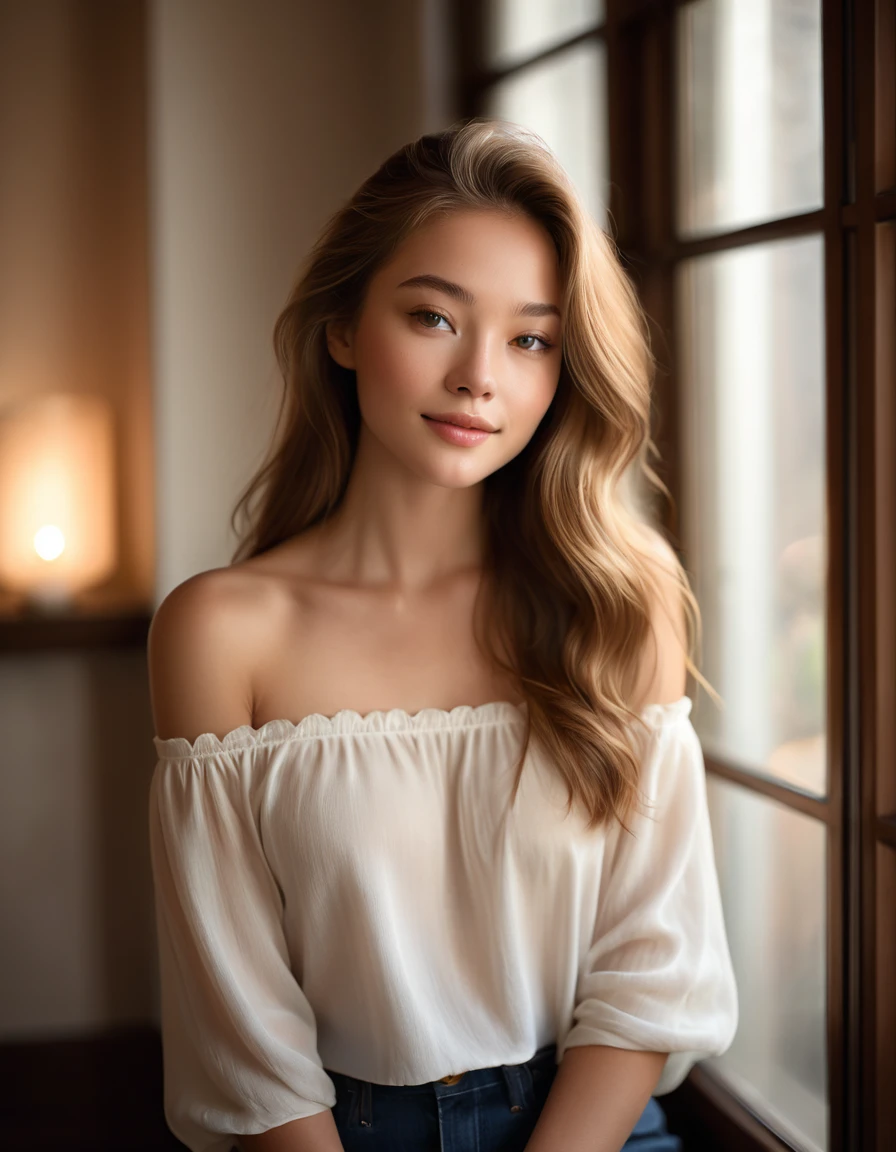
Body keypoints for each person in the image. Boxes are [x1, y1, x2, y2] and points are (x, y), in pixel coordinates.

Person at [147, 118, 738, 1152]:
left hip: (592, 1131)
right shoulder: (221, 633)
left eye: (529, 339)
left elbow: (650, 963)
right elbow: (241, 1028)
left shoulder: (614, 603)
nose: (479, 377)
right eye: (431, 318)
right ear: (342, 328)